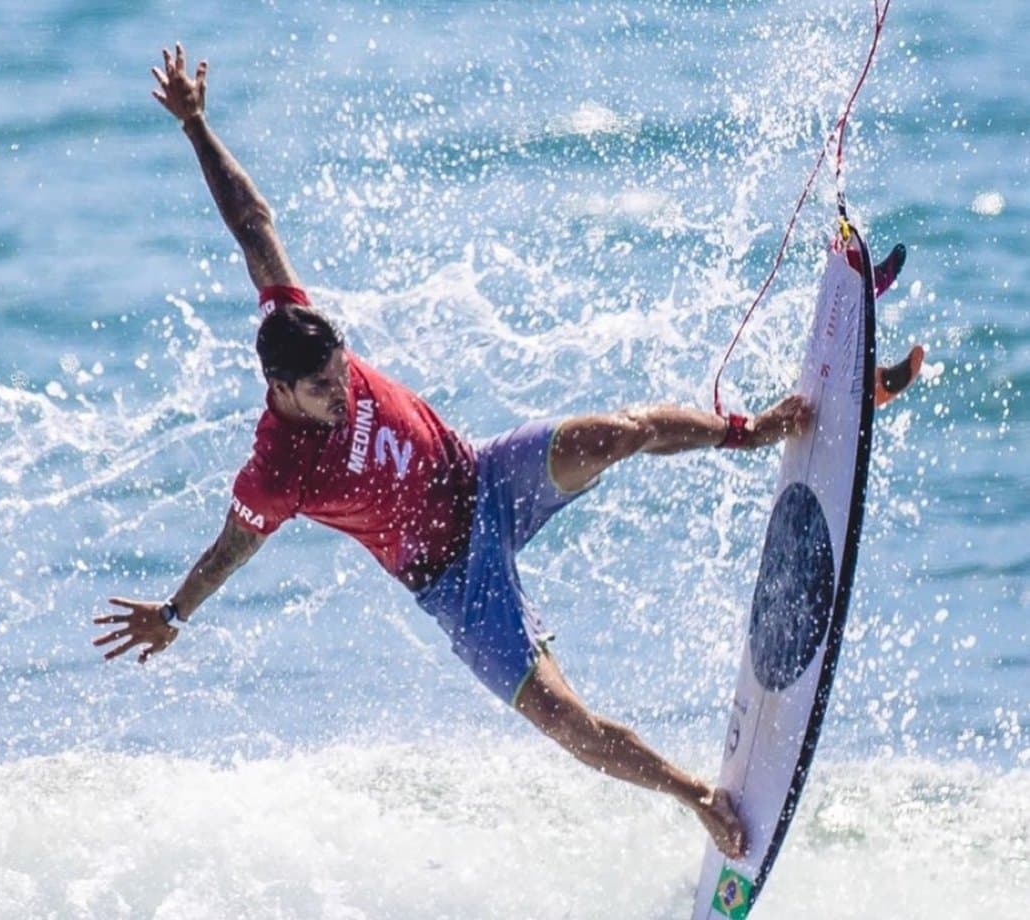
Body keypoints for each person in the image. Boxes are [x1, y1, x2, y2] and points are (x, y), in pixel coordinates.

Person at [93, 44, 814, 860]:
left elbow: (251, 222)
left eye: (343, 371)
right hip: (451, 580)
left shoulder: (295, 318)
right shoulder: (276, 471)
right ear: (283, 393)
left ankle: (750, 433)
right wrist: (176, 612)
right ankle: (694, 796)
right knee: (561, 719)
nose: (341, 389)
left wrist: (195, 124)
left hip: (484, 474)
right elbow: (231, 548)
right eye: (324, 389)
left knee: (623, 432)